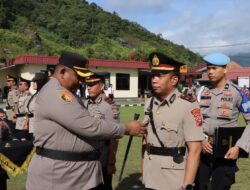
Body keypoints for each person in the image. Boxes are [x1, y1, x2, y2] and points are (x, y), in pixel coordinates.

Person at [26, 51, 146, 190]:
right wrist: (126, 128)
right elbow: (90, 127)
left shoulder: (61, 91)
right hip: (61, 178)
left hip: (72, 175)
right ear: (63, 72)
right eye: (79, 77)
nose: (82, 82)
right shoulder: (57, 93)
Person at [142, 52, 203, 190]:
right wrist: (144, 172)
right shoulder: (149, 103)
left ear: (174, 80)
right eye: (153, 76)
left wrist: (187, 184)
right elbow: (145, 140)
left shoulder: (188, 105)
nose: (154, 80)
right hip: (151, 175)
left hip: (173, 179)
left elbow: (195, 150)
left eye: (160, 76)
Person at [195, 53, 250, 190]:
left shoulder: (238, 93)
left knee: (221, 186)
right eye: (208, 68)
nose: (210, 72)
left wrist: (239, 147)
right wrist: (200, 139)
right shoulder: (201, 91)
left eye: (214, 68)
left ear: (225, 69)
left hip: (226, 150)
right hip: (201, 149)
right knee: (198, 186)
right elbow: (193, 119)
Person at [86, 72, 119, 190]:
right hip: (87, 157)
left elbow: (114, 136)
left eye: (93, 84)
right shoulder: (87, 103)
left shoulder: (109, 105)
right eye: (88, 84)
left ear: (101, 86)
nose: (89, 87)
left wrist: (111, 162)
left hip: (102, 158)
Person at [26, 72, 48, 141]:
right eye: (32, 81)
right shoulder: (36, 94)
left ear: (40, 82)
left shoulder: (44, 95)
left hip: (39, 127)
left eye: (35, 81)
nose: (32, 83)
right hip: (32, 126)